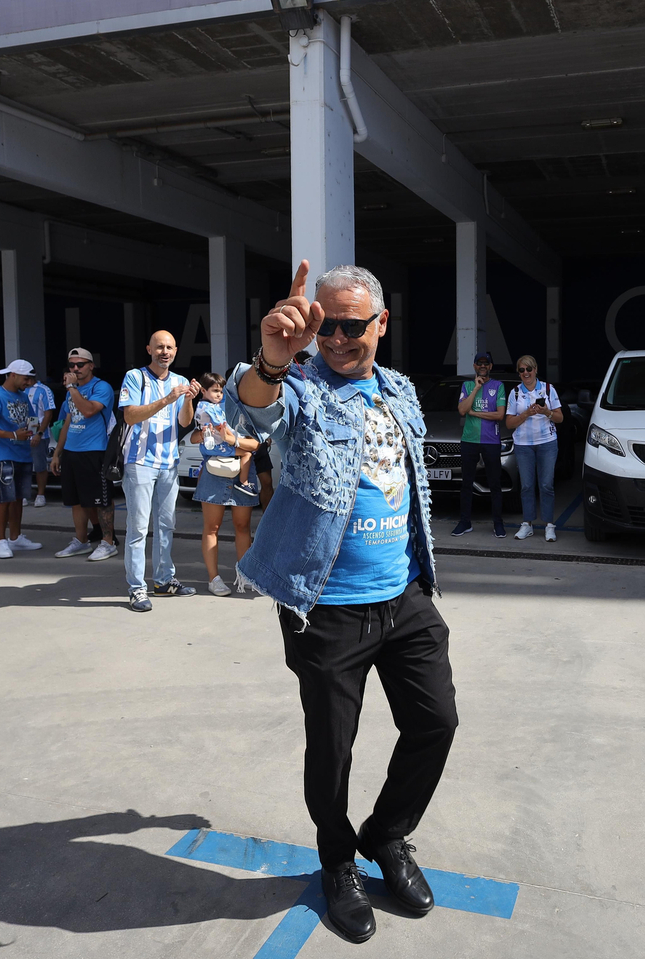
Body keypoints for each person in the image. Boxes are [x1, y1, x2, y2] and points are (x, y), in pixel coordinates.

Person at [231, 261, 455, 945]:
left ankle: (386, 835)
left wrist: (417, 576)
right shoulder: (301, 387)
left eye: (351, 326)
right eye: (323, 325)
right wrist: (272, 359)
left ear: (381, 324)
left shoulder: (401, 391)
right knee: (332, 751)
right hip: (325, 606)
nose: (334, 339)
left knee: (436, 722)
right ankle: (337, 861)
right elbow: (251, 409)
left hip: (406, 595)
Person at [118, 331, 199, 610]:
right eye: (159, 347)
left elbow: (184, 421)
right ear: (149, 349)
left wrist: (187, 399)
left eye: (169, 347)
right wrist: (167, 399)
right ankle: (137, 588)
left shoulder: (179, 382)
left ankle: (164, 581)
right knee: (138, 528)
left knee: (166, 525)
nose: (164, 352)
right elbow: (130, 415)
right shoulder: (135, 377)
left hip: (169, 463)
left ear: (176, 350)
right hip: (140, 463)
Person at [190, 372, 261, 597]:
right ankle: (214, 579)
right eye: (217, 390)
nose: (222, 394)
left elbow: (256, 443)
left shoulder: (250, 407)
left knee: (243, 527)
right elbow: (194, 435)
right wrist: (202, 435)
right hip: (214, 470)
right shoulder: (206, 407)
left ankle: (245, 574)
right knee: (212, 528)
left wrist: (233, 440)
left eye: (224, 390)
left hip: (241, 467)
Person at [51, 348, 119, 563]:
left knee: (101, 500)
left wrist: (71, 388)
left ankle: (108, 542)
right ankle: (81, 541)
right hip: (73, 450)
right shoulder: (72, 391)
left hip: (95, 450)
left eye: (80, 365)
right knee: (76, 501)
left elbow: (89, 410)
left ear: (91, 365)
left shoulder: (101, 387)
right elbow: (68, 422)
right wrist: (57, 453)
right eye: (72, 365)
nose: (75, 369)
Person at [0, 360, 44, 559]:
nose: (29, 382)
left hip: (22, 453)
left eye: (31, 379)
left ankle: (15, 538)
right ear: (13, 375)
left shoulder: (23, 396)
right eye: (26, 378)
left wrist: (34, 431)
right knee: (4, 498)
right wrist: (13, 435)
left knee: (17, 498)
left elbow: (32, 418)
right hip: (2, 454)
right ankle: (0, 541)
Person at [505, 354, 565, 542]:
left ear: (536, 369)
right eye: (522, 370)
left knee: (546, 485)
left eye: (529, 369)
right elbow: (509, 423)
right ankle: (527, 524)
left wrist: (546, 411)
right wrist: (526, 414)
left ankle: (549, 525)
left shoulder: (548, 389)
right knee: (527, 485)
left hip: (547, 442)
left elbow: (560, 418)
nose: (526, 373)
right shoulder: (515, 392)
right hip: (523, 445)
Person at [451, 351, 506, 538]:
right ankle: (465, 522)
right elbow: (461, 410)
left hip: (491, 441)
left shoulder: (498, 386)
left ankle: (498, 523)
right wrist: (475, 388)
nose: (483, 366)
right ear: (474, 366)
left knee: (494, 484)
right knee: (466, 482)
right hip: (469, 441)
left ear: (490, 366)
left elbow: (499, 415)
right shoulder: (467, 386)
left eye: (486, 363)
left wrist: (474, 413)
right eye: (479, 363)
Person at [25, 372, 57, 507]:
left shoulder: (43, 390)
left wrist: (38, 433)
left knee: (39, 466)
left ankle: (40, 494)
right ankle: (24, 494)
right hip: (22, 434)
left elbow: (48, 413)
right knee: (24, 466)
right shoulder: (20, 390)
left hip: (39, 434)